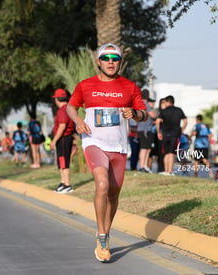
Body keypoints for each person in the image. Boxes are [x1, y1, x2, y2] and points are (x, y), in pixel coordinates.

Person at [66, 43, 147, 263]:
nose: (110, 62)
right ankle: (102, 237)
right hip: (94, 142)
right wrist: (78, 121)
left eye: (115, 58)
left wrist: (134, 114)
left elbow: (143, 114)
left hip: (119, 146)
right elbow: (70, 107)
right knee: (101, 184)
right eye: (106, 58)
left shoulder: (130, 87)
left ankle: (106, 231)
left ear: (120, 62)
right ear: (99, 62)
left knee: (113, 193)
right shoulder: (85, 85)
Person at [155, 95, 188, 176]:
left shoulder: (164, 111)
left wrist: (159, 132)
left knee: (166, 153)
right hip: (175, 134)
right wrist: (182, 129)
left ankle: (166, 171)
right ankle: (170, 171)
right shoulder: (179, 110)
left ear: (167, 102)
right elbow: (185, 121)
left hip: (165, 134)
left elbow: (157, 121)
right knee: (172, 153)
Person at [51, 88, 75, 194]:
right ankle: (63, 182)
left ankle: (67, 184)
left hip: (64, 138)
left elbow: (62, 126)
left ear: (57, 99)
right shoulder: (68, 108)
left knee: (64, 161)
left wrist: (54, 141)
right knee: (61, 161)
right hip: (64, 138)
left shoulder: (62, 110)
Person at [137, 89, 157, 173]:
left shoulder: (139, 103)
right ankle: (142, 166)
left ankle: (144, 166)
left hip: (143, 128)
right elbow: (152, 115)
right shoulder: (146, 104)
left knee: (147, 148)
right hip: (145, 129)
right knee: (144, 148)